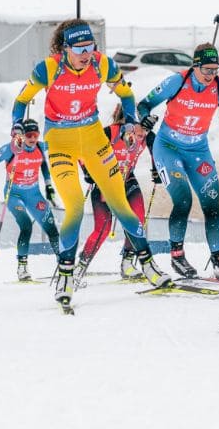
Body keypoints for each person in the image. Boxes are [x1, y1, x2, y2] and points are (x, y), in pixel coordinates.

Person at [12, 19, 170, 309]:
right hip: (60, 142)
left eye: (90, 47)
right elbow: (21, 101)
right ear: (66, 49)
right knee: (73, 205)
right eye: (80, 49)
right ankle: (66, 275)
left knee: (119, 200)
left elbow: (126, 93)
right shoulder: (48, 68)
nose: (86, 54)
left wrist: (131, 123)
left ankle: (148, 265)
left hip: (94, 137)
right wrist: (17, 128)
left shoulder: (102, 65)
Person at [137, 43, 219, 281]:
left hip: (198, 149)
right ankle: (177, 255)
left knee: (212, 202)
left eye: (215, 69)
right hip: (168, 147)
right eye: (207, 70)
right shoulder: (177, 82)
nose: (212, 75)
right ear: (195, 66)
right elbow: (144, 104)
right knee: (183, 199)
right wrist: (145, 118)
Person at [74, 105, 160, 287]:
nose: (141, 136)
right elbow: (82, 151)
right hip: (105, 182)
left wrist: (157, 170)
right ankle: (79, 268)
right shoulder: (110, 132)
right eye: (139, 130)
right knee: (102, 229)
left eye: (144, 131)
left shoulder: (148, 136)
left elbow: (158, 154)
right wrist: (87, 170)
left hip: (128, 180)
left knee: (137, 221)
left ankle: (127, 263)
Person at [0, 118, 60, 282]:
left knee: (51, 228)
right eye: (29, 135)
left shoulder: (39, 146)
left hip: (34, 194)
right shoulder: (10, 149)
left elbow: (44, 164)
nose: (33, 138)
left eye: (36, 134)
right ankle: (22, 268)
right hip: (14, 194)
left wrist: (48, 185)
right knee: (26, 226)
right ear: (22, 135)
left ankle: (63, 263)